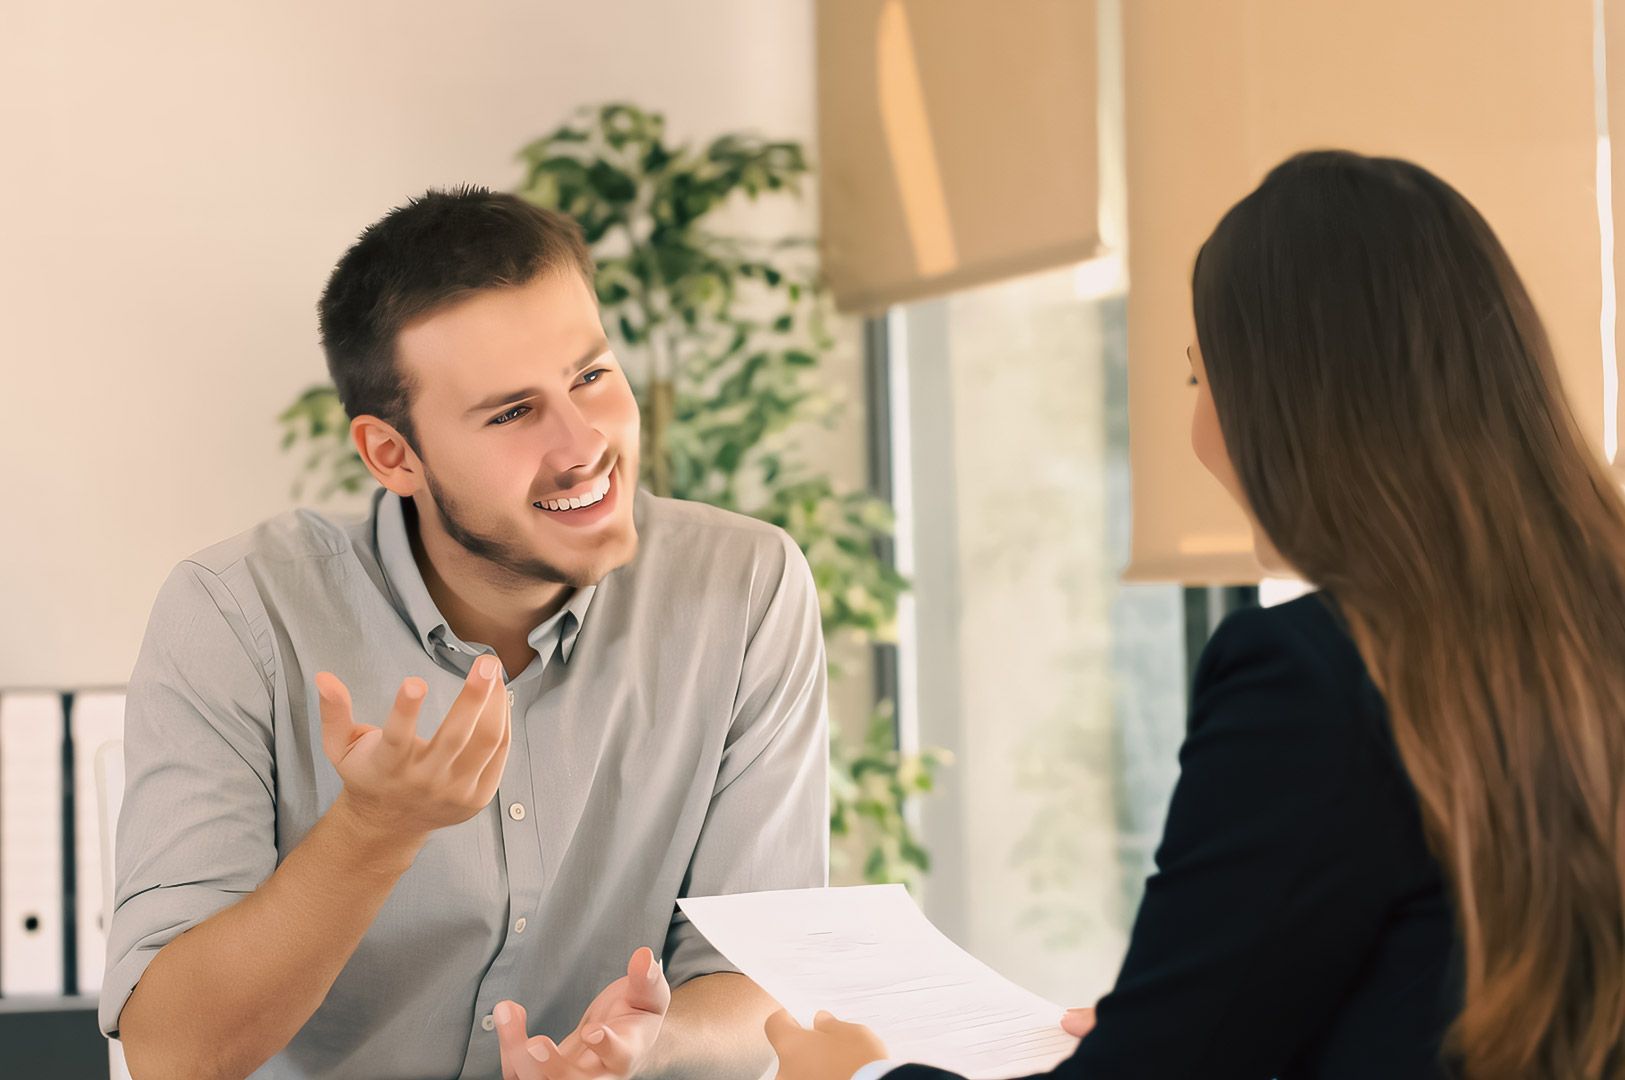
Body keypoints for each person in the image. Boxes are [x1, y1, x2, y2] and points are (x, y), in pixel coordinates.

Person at [767, 150, 1625, 1079]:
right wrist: (1202, 1018)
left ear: (1288, 399)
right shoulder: (1583, 629)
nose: (1199, 428)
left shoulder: (1312, 681)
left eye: (1195, 378)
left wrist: (855, 1076)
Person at [102, 188, 830, 1080]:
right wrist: (374, 830)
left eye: (591, 377)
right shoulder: (237, 616)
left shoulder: (743, 587)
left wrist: (644, 1051)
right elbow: (173, 1054)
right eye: (511, 413)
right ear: (392, 455)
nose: (583, 446)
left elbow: (758, 979)